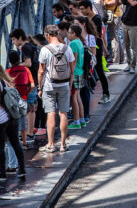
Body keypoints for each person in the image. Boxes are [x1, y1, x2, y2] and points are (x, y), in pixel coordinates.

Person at [37, 25, 75, 153]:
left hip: (49, 85)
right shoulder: (67, 48)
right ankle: (63, 145)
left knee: (51, 113)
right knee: (63, 113)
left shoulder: (45, 50)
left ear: (47, 35)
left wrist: (39, 87)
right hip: (64, 84)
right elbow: (72, 68)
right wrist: (70, 83)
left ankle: (51, 144)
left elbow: (41, 71)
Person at [77, 0, 110, 104]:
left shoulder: (96, 18)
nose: (81, 11)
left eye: (82, 9)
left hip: (95, 47)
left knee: (99, 70)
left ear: (89, 8)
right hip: (90, 46)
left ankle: (106, 94)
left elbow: (98, 35)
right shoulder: (87, 18)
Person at [9, 28, 39, 141]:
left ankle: (29, 133)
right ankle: (29, 132)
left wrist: (16, 66)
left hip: (30, 81)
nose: (13, 42)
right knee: (31, 106)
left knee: (30, 108)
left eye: (13, 39)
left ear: (20, 38)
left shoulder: (25, 47)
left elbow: (28, 63)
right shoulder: (30, 46)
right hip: (34, 80)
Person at [6, 51, 35, 148]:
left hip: (12, 101)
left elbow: (6, 87)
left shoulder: (8, 72)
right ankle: (25, 143)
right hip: (23, 98)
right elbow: (32, 85)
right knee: (23, 120)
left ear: (9, 61)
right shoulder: (25, 69)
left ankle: (14, 142)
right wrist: (27, 93)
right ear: (19, 59)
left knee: (13, 121)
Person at [67, 25, 86, 129]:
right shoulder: (79, 42)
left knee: (73, 97)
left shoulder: (73, 43)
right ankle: (82, 120)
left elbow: (73, 60)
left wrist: (70, 74)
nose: (68, 35)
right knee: (78, 97)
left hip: (75, 73)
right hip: (80, 71)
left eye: (69, 33)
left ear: (74, 34)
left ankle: (76, 121)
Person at [104, 0, 125, 64]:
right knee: (116, 36)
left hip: (114, 14)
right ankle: (121, 57)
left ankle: (115, 59)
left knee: (114, 37)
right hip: (116, 14)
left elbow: (114, 1)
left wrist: (105, 4)